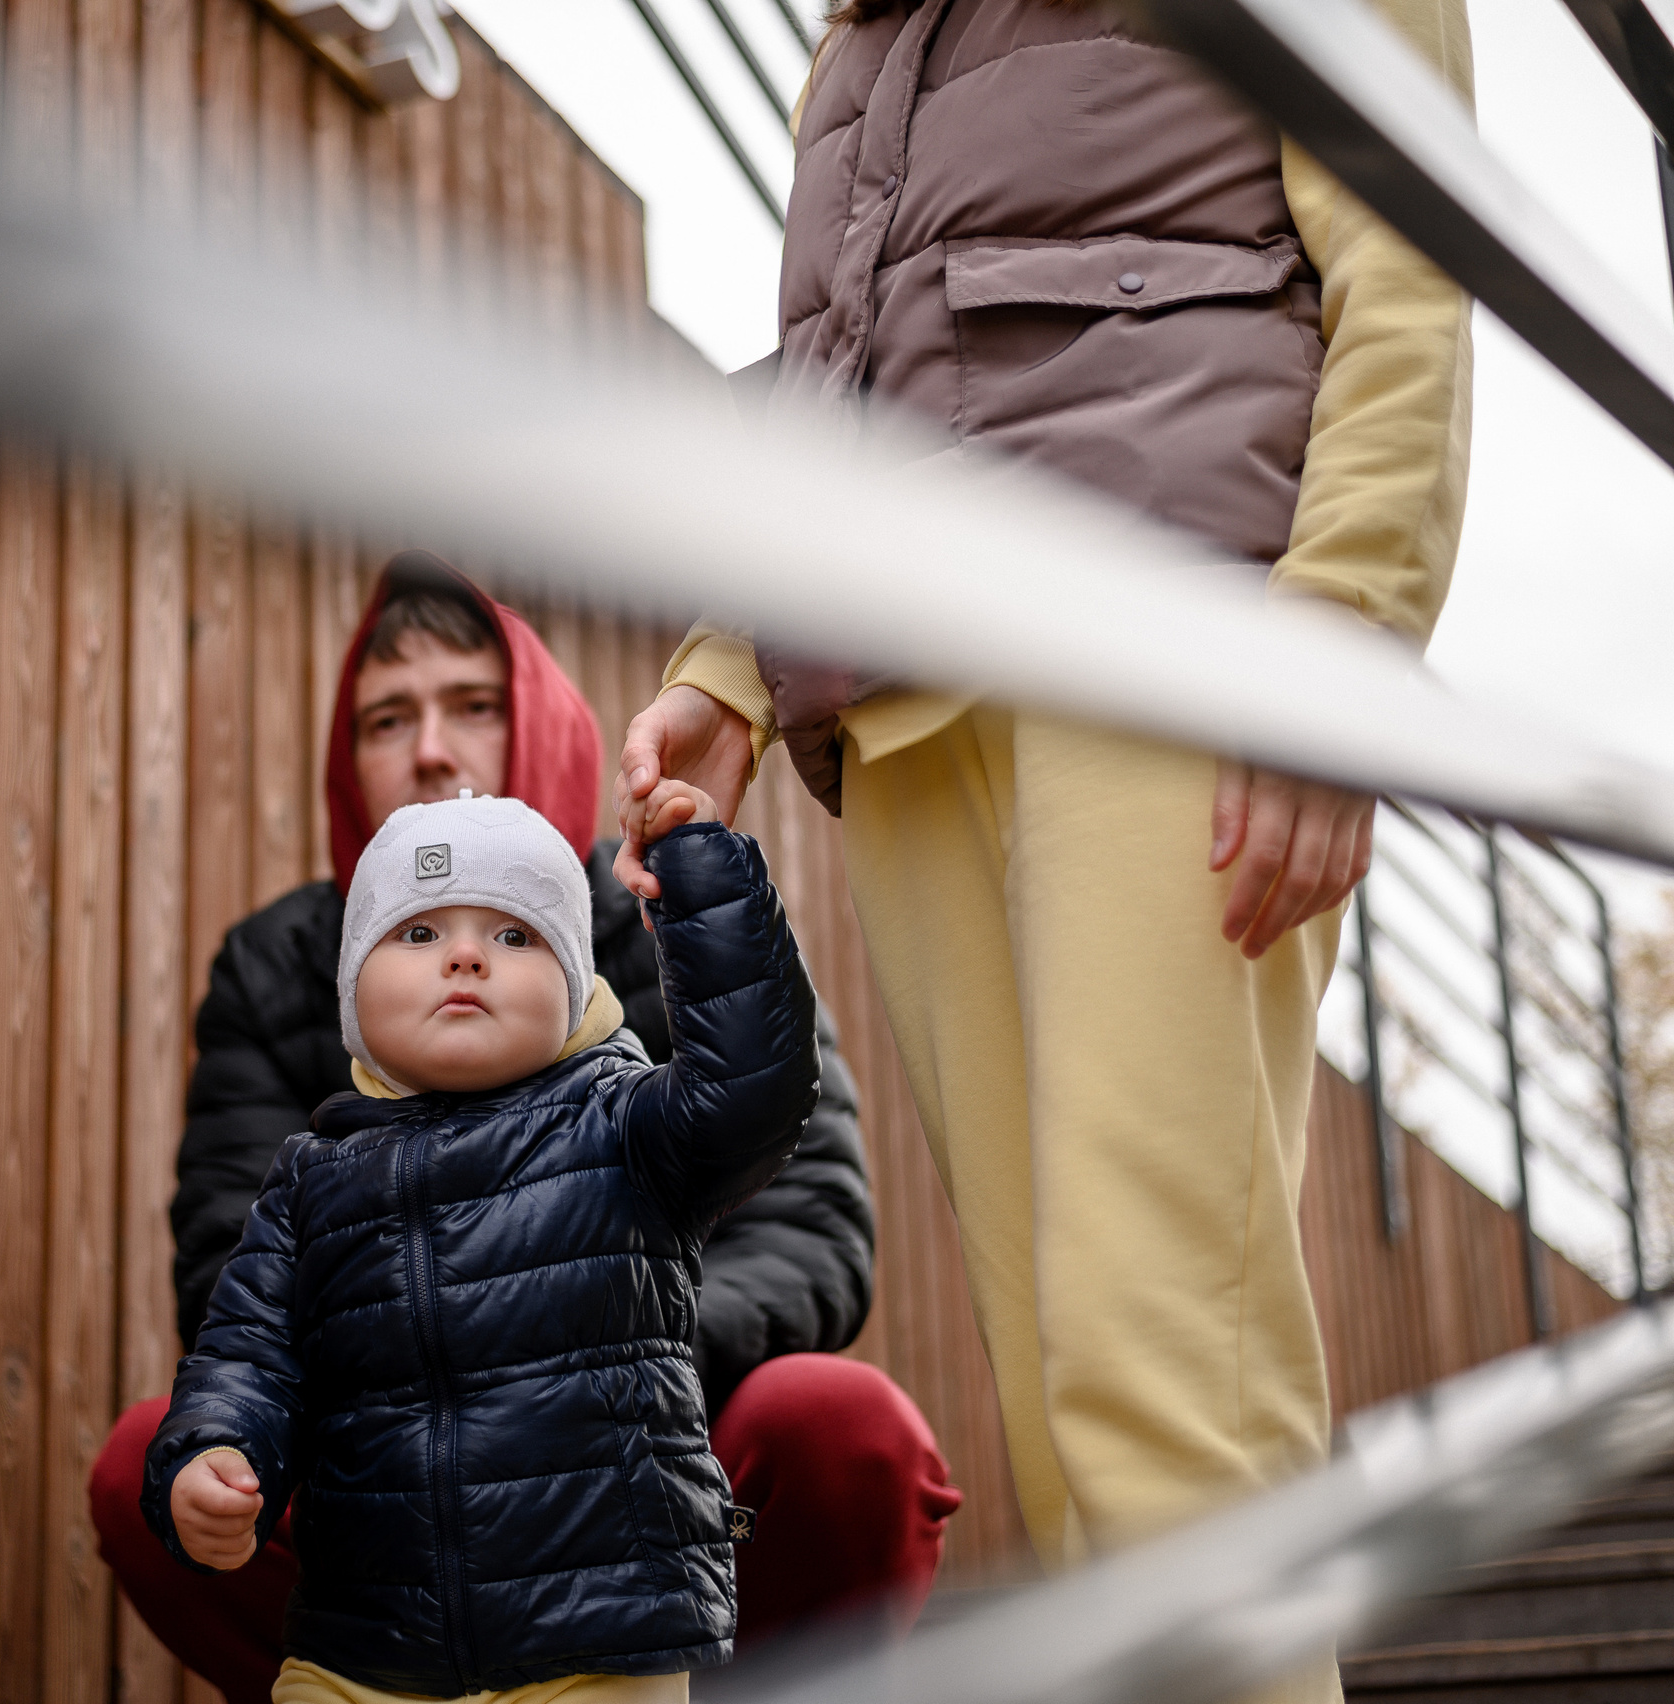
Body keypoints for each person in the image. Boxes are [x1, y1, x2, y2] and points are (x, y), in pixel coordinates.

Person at [615, 4, 1473, 1701]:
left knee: (1162, 1365)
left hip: (1163, 642)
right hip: (910, 688)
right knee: (1061, 1407)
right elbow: (846, 357)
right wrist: (731, 654)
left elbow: (1413, 264)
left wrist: (1346, 640)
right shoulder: (870, 40)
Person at [90, 554, 959, 1704]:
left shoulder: (660, 925)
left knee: (841, 1426)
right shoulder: (280, 970)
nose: (432, 748)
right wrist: (262, 1435)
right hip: (388, 1485)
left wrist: (574, 1367)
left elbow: (802, 1207)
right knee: (154, 1464)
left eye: (474, 704)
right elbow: (234, 1276)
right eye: (388, 717)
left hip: (650, 1449)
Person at [143, 790, 821, 1702]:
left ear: (576, 986)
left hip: (598, 1640)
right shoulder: (310, 1182)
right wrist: (214, 1453)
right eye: (418, 935)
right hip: (364, 1651)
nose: (465, 955)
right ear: (352, 988)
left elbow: (752, 1091)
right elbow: (247, 1358)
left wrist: (699, 874)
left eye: (515, 936)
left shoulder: (624, 1128)